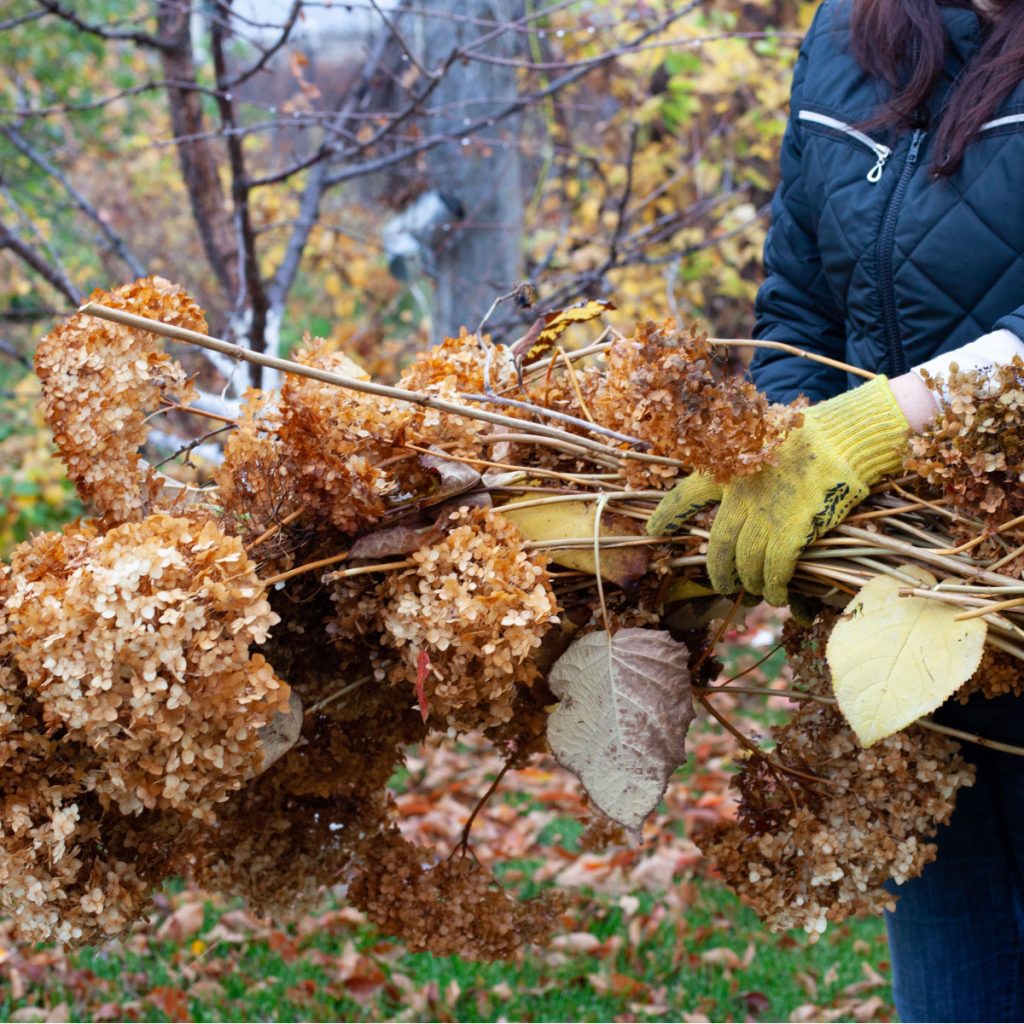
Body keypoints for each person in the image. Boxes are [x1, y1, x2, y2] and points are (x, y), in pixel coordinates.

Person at [648, 0, 1024, 1020]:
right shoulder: (847, 36)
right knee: (958, 993)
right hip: (911, 615)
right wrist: (772, 453)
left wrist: (871, 429)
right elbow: (797, 304)